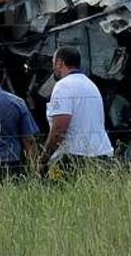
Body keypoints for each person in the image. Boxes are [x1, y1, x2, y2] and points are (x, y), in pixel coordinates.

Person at [38, 46, 113, 176]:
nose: (53, 68)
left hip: (75, 157)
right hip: (101, 153)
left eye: (53, 63)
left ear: (59, 63)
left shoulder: (63, 86)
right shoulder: (91, 85)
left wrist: (44, 159)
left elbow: (59, 129)